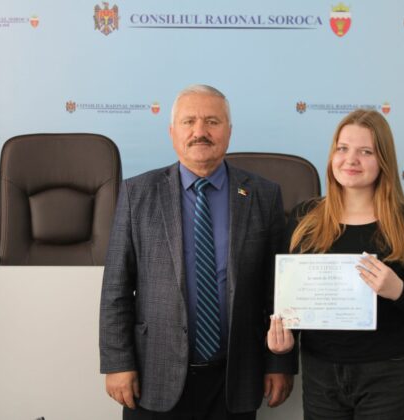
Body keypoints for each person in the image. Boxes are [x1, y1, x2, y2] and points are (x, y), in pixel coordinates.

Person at [100, 84, 297, 420]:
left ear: (229, 131)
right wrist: (118, 363)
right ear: (172, 132)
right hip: (153, 373)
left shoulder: (263, 195)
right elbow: (116, 290)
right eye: (188, 121)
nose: (200, 131)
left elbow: (279, 289)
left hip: (235, 376)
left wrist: (280, 363)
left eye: (212, 122)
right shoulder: (137, 193)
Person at [267, 109, 404, 419]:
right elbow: (286, 300)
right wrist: (281, 347)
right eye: (343, 148)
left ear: (384, 162)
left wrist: (398, 290)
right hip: (321, 374)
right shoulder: (304, 219)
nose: (351, 160)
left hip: (390, 375)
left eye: (366, 152)